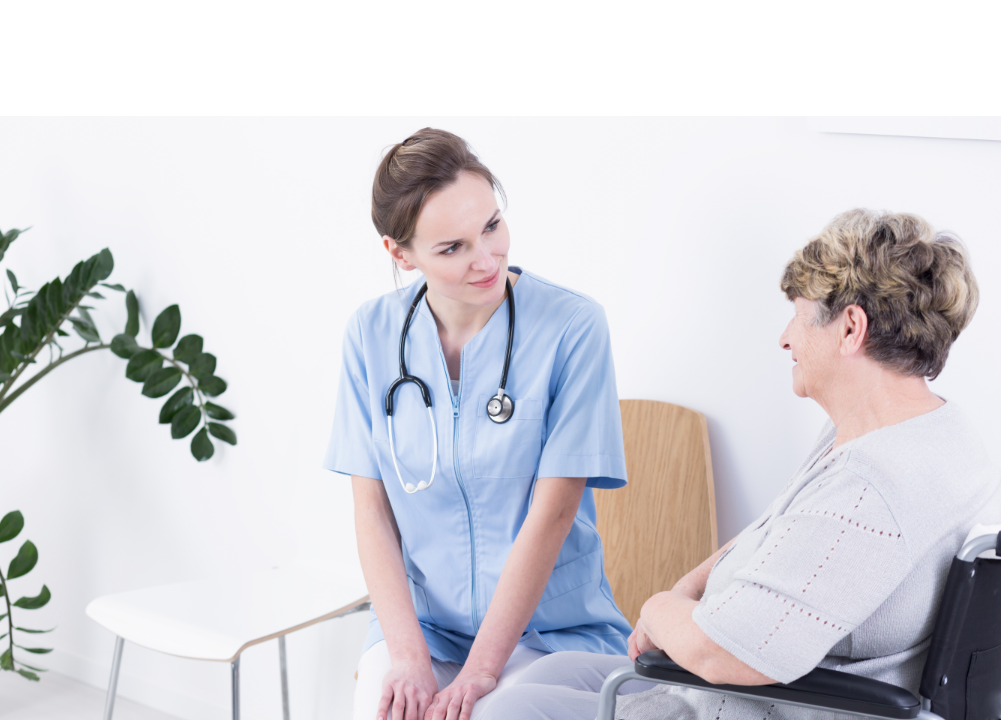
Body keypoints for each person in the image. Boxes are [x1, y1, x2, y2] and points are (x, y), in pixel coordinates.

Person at [478, 209, 1001, 720]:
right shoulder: (927, 430)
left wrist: (658, 609)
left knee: (509, 708)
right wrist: (686, 589)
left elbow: (721, 654)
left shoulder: (869, 488)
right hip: (760, 682)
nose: (785, 338)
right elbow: (778, 527)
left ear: (849, 328)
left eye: (799, 315)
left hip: (753, 702)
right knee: (556, 669)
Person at [325, 129, 633, 720]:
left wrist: (480, 671)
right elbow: (372, 510)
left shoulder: (572, 327)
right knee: (380, 706)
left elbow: (553, 513)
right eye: (453, 248)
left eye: (492, 226)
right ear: (400, 254)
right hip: (425, 629)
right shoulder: (370, 335)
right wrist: (407, 655)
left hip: (548, 632)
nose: (487, 259)